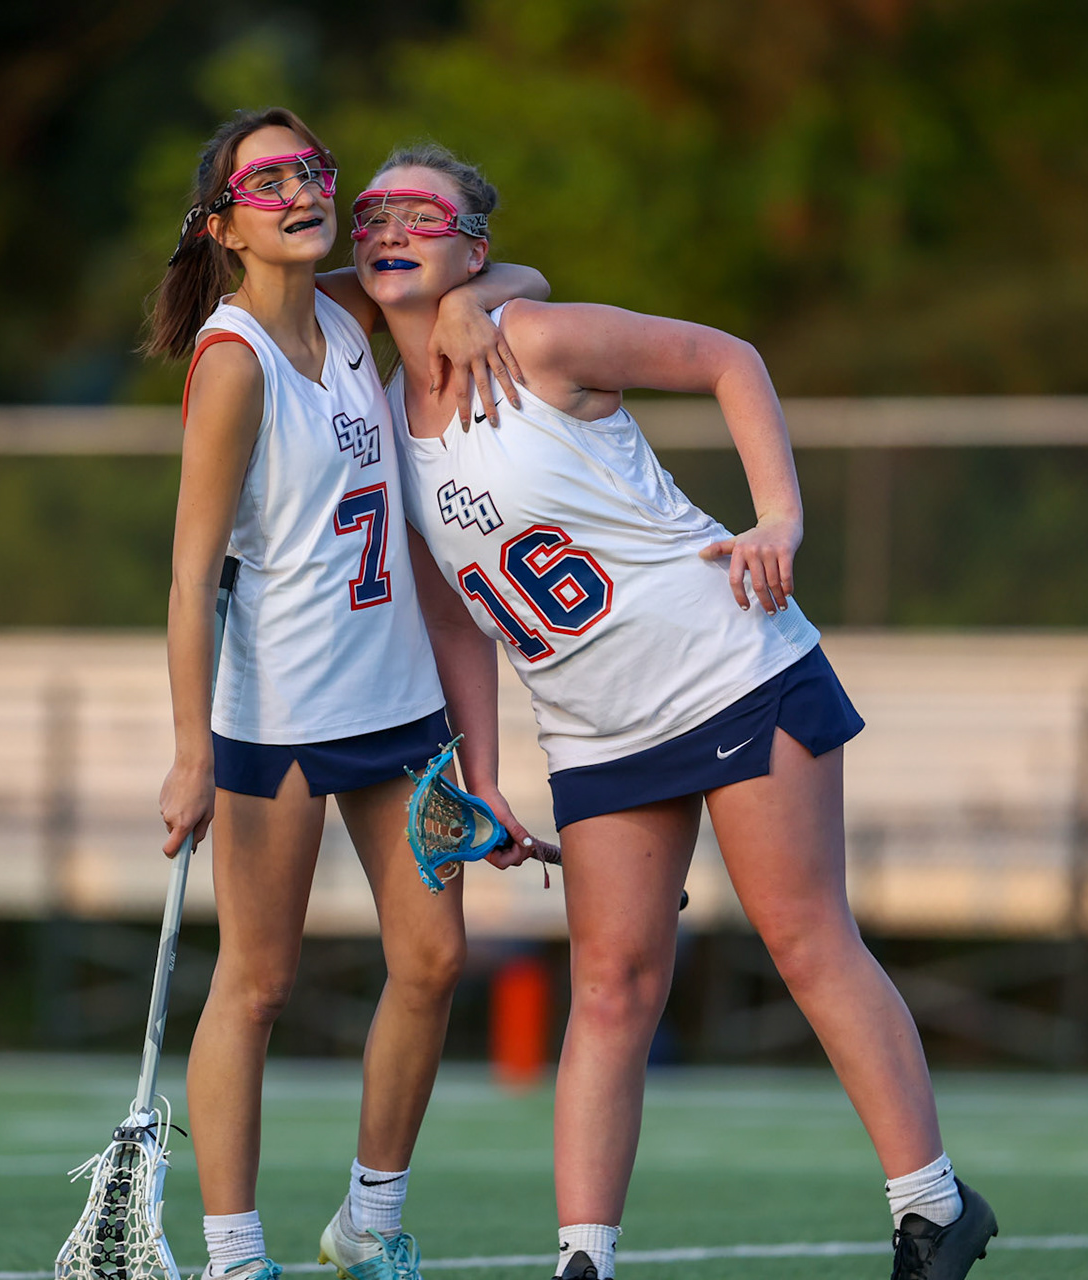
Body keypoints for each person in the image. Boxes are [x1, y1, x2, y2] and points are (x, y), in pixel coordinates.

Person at [352, 146, 998, 1280]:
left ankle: (934, 1208)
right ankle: (584, 1259)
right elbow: (458, 619)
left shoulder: (531, 338)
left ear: (473, 245)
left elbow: (727, 359)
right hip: (596, 727)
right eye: (372, 211)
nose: (387, 225)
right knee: (610, 983)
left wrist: (779, 519)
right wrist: (485, 772)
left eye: (421, 211)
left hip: (730, 663)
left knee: (804, 937)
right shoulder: (380, 414)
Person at [147, 109, 550, 1280]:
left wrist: (473, 299)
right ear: (225, 223)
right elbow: (189, 578)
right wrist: (188, 749)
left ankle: (368, 1221)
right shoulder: (232, 363)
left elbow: (512, 266)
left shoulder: (348, 303)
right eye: (266, 180)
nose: (301, 190)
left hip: (401, 712)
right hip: (277, 725)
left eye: (311, 169)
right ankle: (233, 1253)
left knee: (432, 960)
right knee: (258, 981)